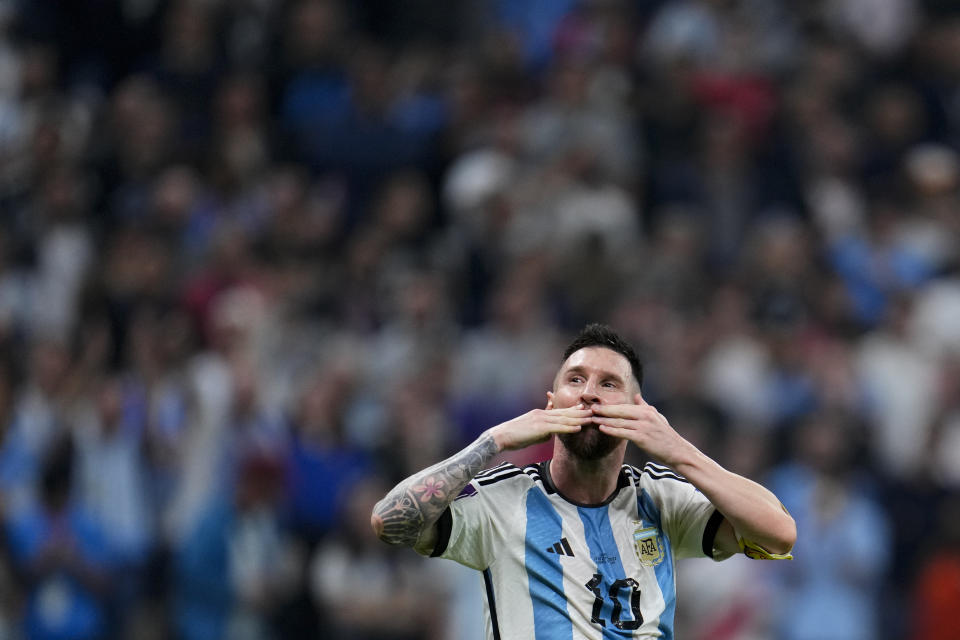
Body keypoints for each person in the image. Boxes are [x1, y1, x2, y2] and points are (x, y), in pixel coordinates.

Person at [371, 323, 796, 639]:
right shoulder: (504, 500)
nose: (589, 393)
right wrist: (494, 440)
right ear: (552, 404)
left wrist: (678, 450)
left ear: (637, 409)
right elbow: (389, 522)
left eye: (608, 384)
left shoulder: (661, 498)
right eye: (576, 380)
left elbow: (779, 535)